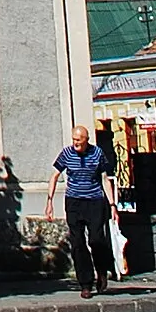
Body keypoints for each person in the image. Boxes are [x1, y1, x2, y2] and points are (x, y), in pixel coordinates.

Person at [46, 125, 118, 296]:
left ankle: (101, 272)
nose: (75, 142)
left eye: (78, 139)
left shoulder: (97, 153)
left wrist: (113, 205)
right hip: (74, 202)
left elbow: (105, 178)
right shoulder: (67, 153)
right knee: (78, 243)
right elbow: (54, 175)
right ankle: (85, 284)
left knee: (96, 240)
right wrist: (49, 201)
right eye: (74, 139)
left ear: (87, 139)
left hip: (94, 201)